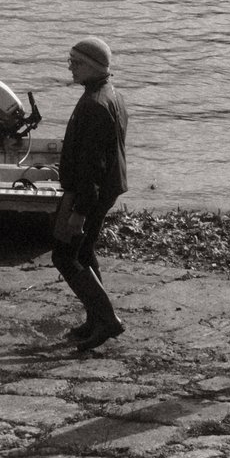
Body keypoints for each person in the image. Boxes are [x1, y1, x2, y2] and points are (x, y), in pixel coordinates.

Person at [51, 36, 130, 351]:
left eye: (76, 62)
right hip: (102, 188)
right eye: (71, 60)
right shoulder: (108, 94)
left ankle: (107, 320)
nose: (71, 67)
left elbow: (94, 165)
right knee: (83, 253)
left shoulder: (94, 104)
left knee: (64, 255)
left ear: (93, 67)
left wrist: (79, 212)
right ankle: (95, 318)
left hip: (91, 192)